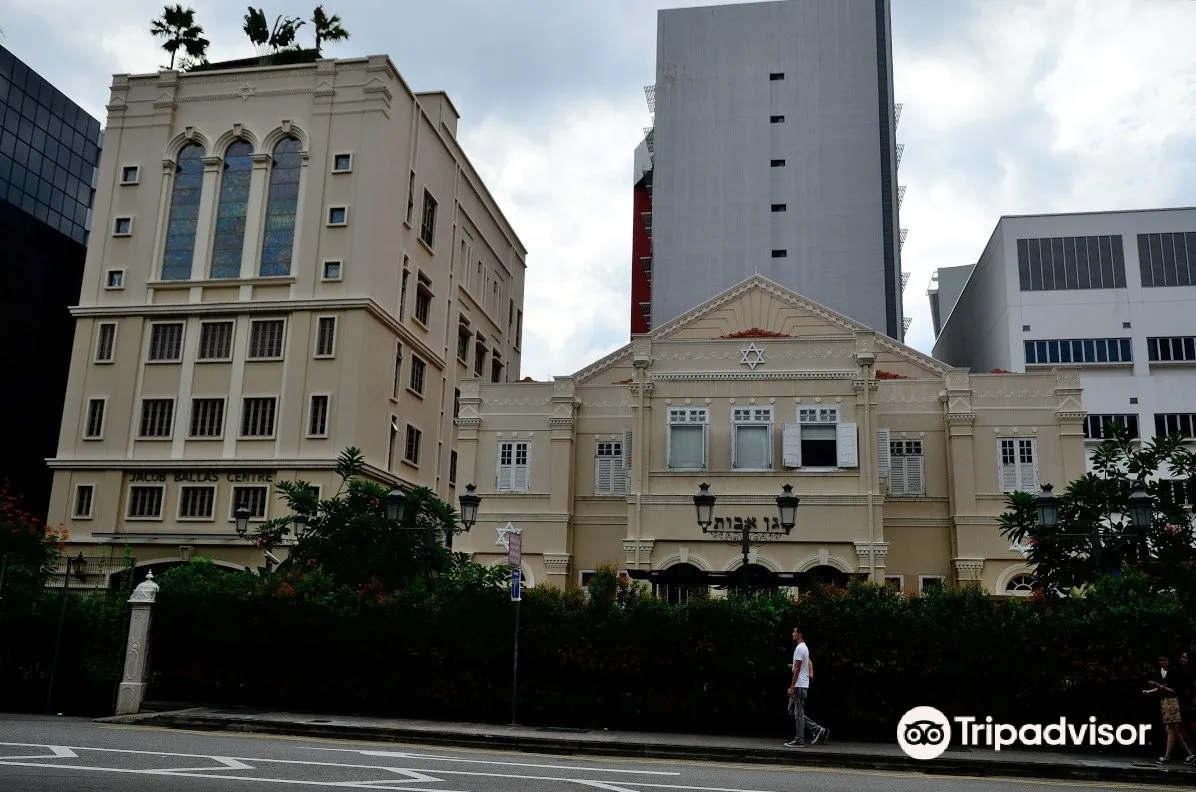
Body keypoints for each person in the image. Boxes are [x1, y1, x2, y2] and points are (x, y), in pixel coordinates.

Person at [1142, 654, 1195, 765]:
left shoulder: (1173, 672)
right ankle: (1190, 754)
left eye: (1164, 660)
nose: (1162, 662)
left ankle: (1167, 757)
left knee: (1170, 729)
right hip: (1166, 702)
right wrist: (1149, 691)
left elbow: (1172, 689)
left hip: (1173, 702)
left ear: (1169, 661)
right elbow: (1160, 687)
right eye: (1160, 660)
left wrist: (1157, 685)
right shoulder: (1161, 672)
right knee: (1173, 730)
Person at [785, 627, 829, 747]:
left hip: (799, 685)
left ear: (800, 634)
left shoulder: (800, 648)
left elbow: (797, 669)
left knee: (798, 712)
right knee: (792, 710)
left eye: (794, 631)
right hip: (801, 684)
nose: (792, 633)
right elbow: (806, 663)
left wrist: (792, 686)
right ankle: (817, 729)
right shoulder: (804, 647)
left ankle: (799, 740)